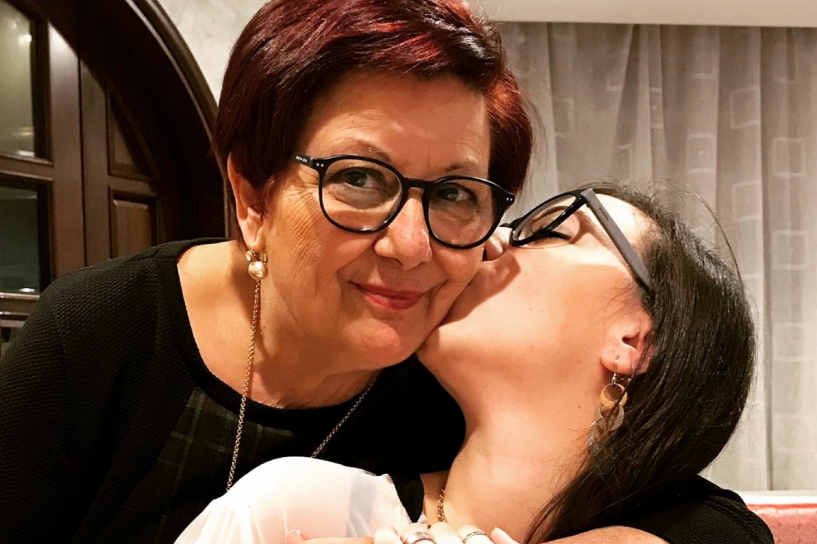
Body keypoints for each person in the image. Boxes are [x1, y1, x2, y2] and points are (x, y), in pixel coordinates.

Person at [0, 0, 529, 542]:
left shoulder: (462, 378)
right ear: (253, 197)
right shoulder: (97, 333)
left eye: (455, 193)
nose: (412, 247)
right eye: (360, 179)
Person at [175, 182, 773, 544]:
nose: (492, 240)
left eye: (553, 230)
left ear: (633, 342)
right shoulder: (296, 508)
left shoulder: (695, 523)